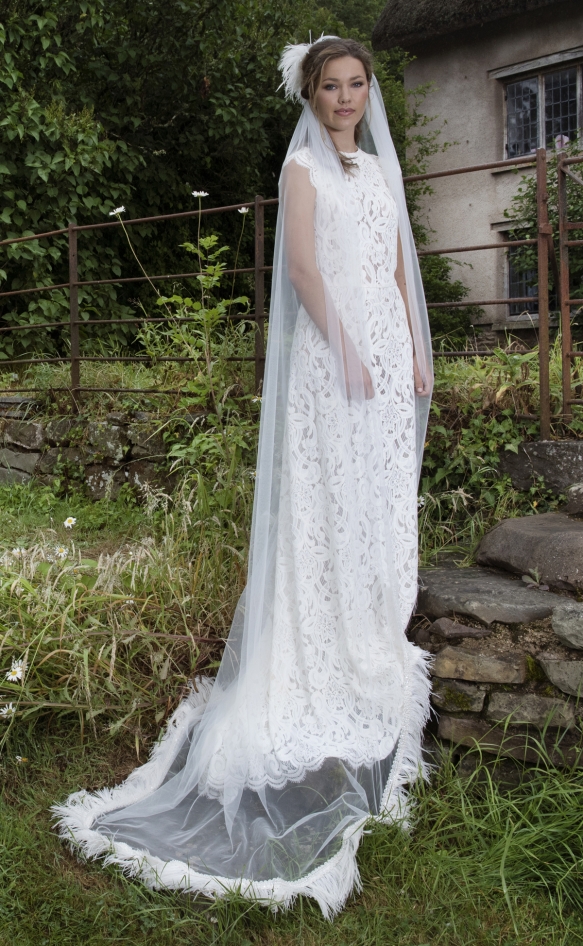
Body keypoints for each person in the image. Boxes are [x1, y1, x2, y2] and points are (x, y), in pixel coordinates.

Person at [54, 36, 433, 919]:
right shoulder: (302, 170)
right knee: (329, 500)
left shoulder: (379, 170)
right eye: (332, 86)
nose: (346, 97)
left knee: (379, 493)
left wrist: (414, 347)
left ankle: (373, 624)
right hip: (332, 357)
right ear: (311, 94)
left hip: (386, 350)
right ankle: (321, 641)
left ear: (368, 91)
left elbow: (394, 268)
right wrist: (346, 349)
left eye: (357, 84)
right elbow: (301, 269)